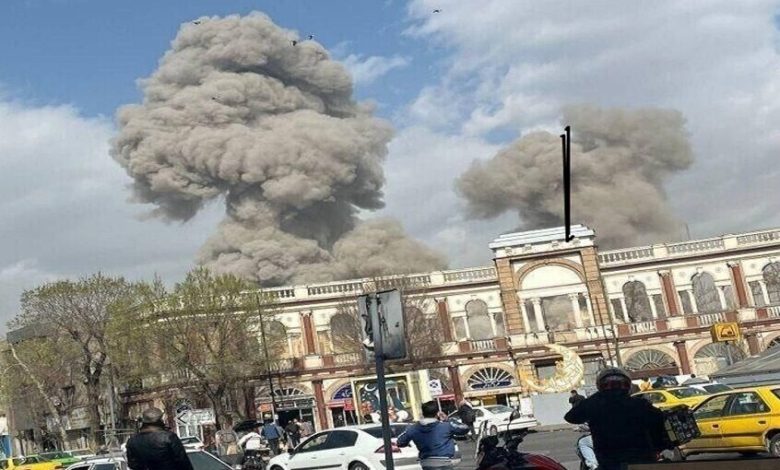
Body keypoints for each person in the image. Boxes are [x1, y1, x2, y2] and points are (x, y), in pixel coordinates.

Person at [564, 367, 667, 470]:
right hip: (641, 460)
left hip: (610, 462)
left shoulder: (595, 405)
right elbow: (659, 422)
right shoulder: (640, 404)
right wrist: (657, 447)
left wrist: (597, 397)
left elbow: (571, 417)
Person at [397, 400, 469, 470]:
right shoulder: (446, 426)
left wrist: (408, 442)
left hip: (426, 463)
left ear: (423, 413)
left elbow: (400, 442)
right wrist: (448, 419)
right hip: (444, 461)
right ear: (437, 413)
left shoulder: (413, 428)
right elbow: (465, 428)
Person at [126, 407, 194, 470]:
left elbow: (132, 465)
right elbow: (183, 462)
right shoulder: (169, 437)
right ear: (159, 421)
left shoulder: (132, 441)